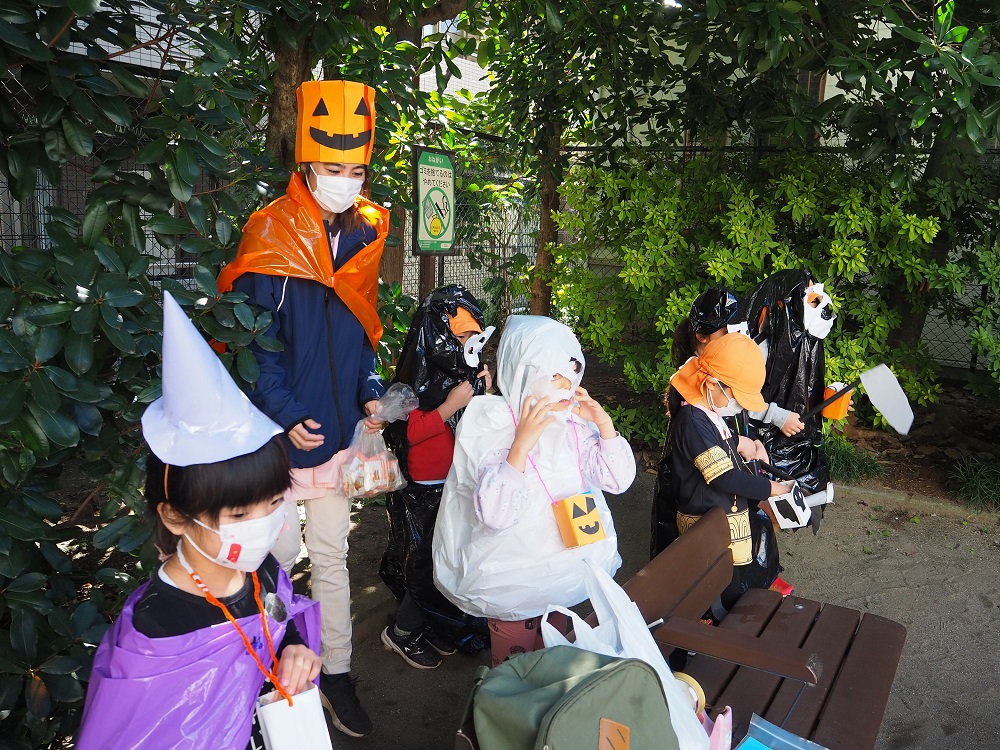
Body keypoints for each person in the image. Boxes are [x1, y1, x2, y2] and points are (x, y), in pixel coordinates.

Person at [216, 79, 387, 737]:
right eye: (332, 168)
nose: (345, 181)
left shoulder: (365, 231)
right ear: (307, 164)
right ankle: (269, 676)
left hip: (338, 437)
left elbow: (361, 333)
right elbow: (253, 342)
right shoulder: (270, 230)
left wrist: (369, 387)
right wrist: (285, 412)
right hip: (277, 440)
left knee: (334, 558)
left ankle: (337, 673)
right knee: (275, 563)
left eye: (355, 170)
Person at [76, 292, 323, 750]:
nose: (265, 523)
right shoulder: (156, 628)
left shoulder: (264, 570)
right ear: (174, 516)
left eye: (274, 501)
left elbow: (281, 627)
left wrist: (295, 651)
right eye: (239, 513)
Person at [433, 315, 636, 668]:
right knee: (515, 673)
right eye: (554, 375)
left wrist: (604, 426)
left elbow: (617, 480)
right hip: (514, 583)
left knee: (554, 660)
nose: (567, 385)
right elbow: (495, 514)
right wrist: (520, 446)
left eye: (573, 373)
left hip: (565, 576)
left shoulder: (573, 423)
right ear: (524, 371)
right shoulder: (492, 425)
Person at [379, 285, 493, 668]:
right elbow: (410, 433)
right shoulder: (419, 377)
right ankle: (403, 632)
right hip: (422, 489)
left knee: (449, 557)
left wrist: (482, 391)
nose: (464, 347)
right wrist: (450, 405)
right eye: (459, 338)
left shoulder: (460, 372)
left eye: (471, 339)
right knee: (427, 565)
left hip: (451, 482)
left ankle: (432, 623)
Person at [667, 332, 789, 613]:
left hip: (722, 524)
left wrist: (738, 442)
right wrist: (772, 489)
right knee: (713, 595)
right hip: (708, 529)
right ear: (712, 383)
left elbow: (714, 445)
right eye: (736, 397)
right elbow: (723, 477)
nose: (739, 406)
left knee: (728, 588)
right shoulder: (693, 420)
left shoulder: (707, 412)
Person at [744, 269, 836, 497]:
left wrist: (828, 399)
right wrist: (778, 416)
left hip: (800, 450)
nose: (821, 305)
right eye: (813, 299)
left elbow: (802, 389)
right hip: (762, 447)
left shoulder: (809, 344)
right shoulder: (759, 349)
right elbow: (736, 401)